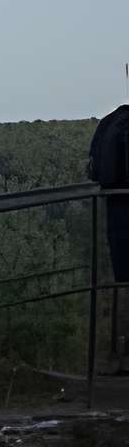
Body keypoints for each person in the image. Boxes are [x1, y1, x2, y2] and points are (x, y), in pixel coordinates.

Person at [97, 84, 129, 370]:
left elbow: (95, 171)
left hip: (116, 216)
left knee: (122, 282)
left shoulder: (110, 122)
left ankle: (119, 357)